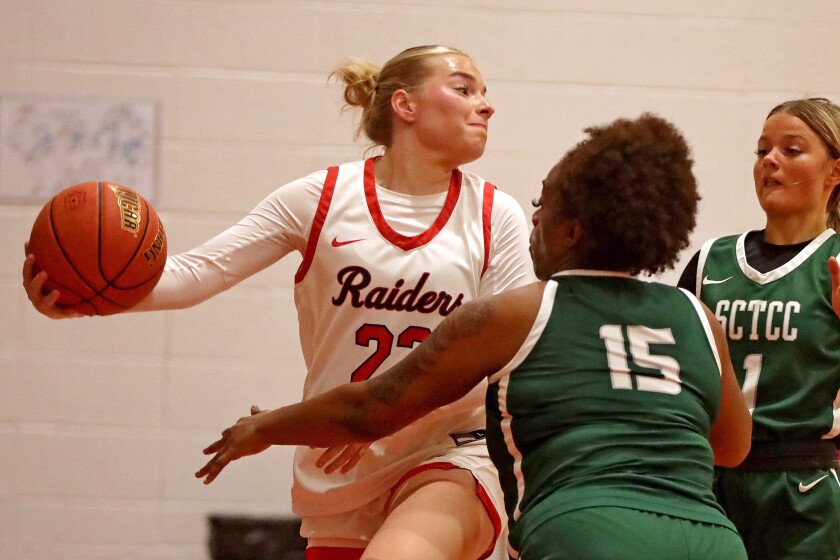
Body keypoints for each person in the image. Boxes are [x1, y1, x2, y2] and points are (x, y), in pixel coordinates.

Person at [22, 45, 537, 560]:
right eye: (465, 89)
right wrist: (88, 299)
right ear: (405, 105)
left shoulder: (496, 214)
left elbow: (509, 353)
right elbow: (196, 272)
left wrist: (384, 412)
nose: (486, 105)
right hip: (341, 466)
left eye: (485, 93)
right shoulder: (320, 198)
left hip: (452, 453)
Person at [196, 113, 754, 560]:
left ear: (571, 230)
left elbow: (372, 407)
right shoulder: (696, 315)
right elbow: (732, 446)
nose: (532, 215)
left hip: (584, 532)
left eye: (545, 202)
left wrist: (263, 427)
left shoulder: (517, 312)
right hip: (711, 539)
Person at [676, 97, 840, 560]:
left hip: (801, 483)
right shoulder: (712, 261)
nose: (770, 160)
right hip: (708, 479)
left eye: (792, 150)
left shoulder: (835, 263)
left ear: (835, 173)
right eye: (763, 149)